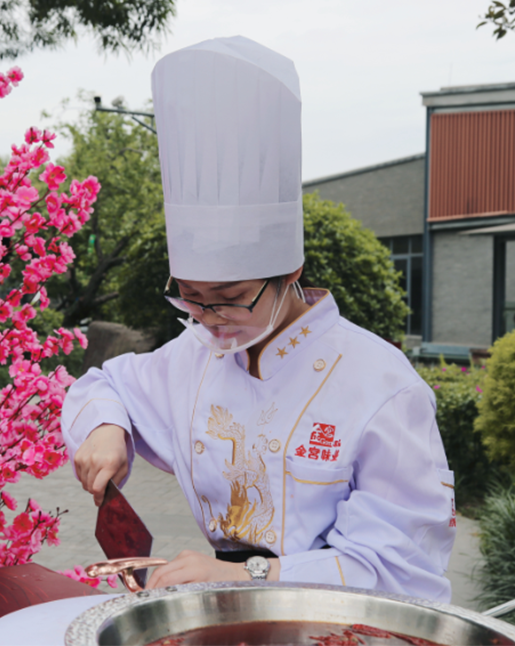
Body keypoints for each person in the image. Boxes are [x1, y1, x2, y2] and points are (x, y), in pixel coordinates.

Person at [63, 37, 456, 602]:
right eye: (192, 298)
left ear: (289, 269)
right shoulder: (196, 353)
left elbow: (401, 573)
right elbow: (105, 385)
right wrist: (105, 426)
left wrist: (243, 576)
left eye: (231, 297)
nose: (211, 321)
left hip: (340, 627)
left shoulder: (382, 386)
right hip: (223, 613)